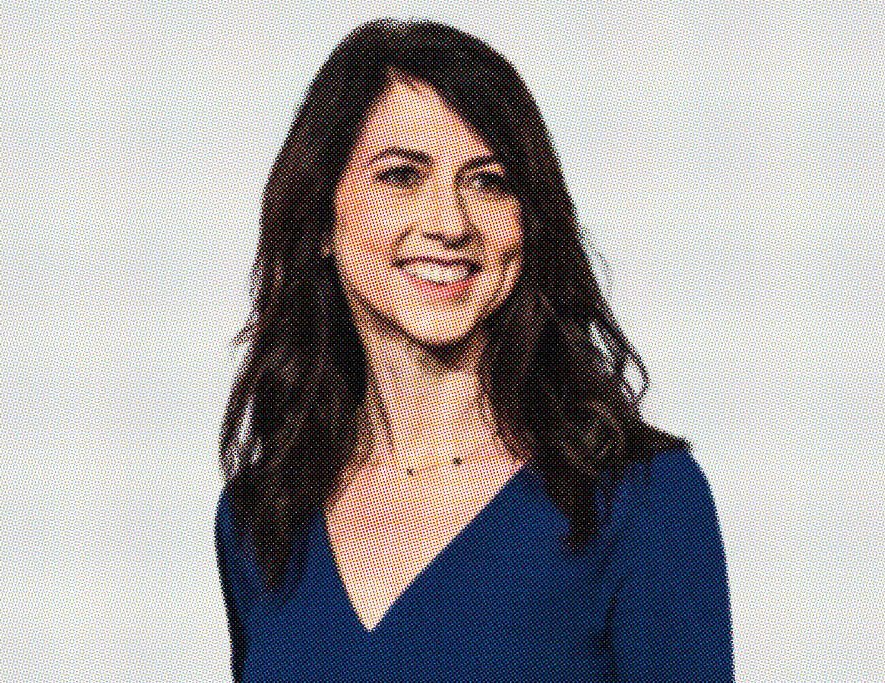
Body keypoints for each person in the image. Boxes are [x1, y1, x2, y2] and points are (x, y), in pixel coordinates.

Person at [214, 17, 733, 682]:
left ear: (530, 221)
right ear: (320, 219)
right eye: (402, 175)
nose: (451, 222)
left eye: (488, 181)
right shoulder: (262, 516)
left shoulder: (642, 499)